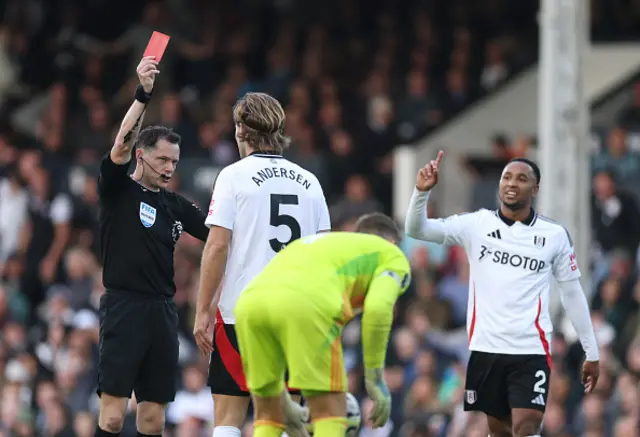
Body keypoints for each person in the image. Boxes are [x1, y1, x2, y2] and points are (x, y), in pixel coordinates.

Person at [404, 152, 600, 437]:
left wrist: (591, 351)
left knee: (527, 424)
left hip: (531, 350)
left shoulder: (554, 235)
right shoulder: (476, 225)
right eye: (506, 177)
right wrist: (421, 191)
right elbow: (416, 229)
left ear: (535, 189)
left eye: (521, 178)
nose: (511, 183)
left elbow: (572, 294)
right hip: (486, 349)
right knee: (499, 431)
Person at [192, 92, 331, 437]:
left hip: (243, 312)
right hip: (295, 316)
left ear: (241, 129)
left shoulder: (233, 177)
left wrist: (203, 309)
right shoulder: (310, 182)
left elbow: (216, 246)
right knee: (283, 418)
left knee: (227, 416)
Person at [94, 56, 209, 437]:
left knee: (153, 421)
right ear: (141, 156)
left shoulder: (177, 206)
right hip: (123, 306)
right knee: (111, 418)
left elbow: (218, 234)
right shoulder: (118, 189)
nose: (169, 167)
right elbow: (121, 141)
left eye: (174, 161)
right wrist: (143, 94)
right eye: (162, 158)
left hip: (162, 312)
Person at [234, 213, 411, 437]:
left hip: (250, 303)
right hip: (307, 306)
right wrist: (375, 378)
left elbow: (282, 300)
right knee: (331, 413)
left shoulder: (321, 244)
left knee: (270, 414)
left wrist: (286, 404)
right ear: (393, 243)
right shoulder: (391, 255)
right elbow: (378, 308)